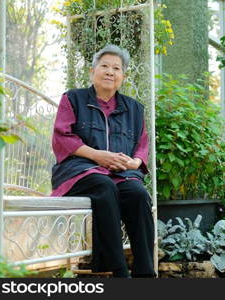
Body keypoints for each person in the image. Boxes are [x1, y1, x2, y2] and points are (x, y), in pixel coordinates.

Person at [51, 44, 155, 278]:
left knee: (137, 193)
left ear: (123, 76)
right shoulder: (72, 99)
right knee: (103, 185)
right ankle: (118, 272)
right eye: (104, 66)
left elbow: (142, 144)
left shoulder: (135, 108)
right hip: (80, 171)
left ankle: (146, 274)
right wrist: (98, 156)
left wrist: (135, 163)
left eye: (116, 68)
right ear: (92, 71)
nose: (110, 72)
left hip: (121, 173)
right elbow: (62, 137)